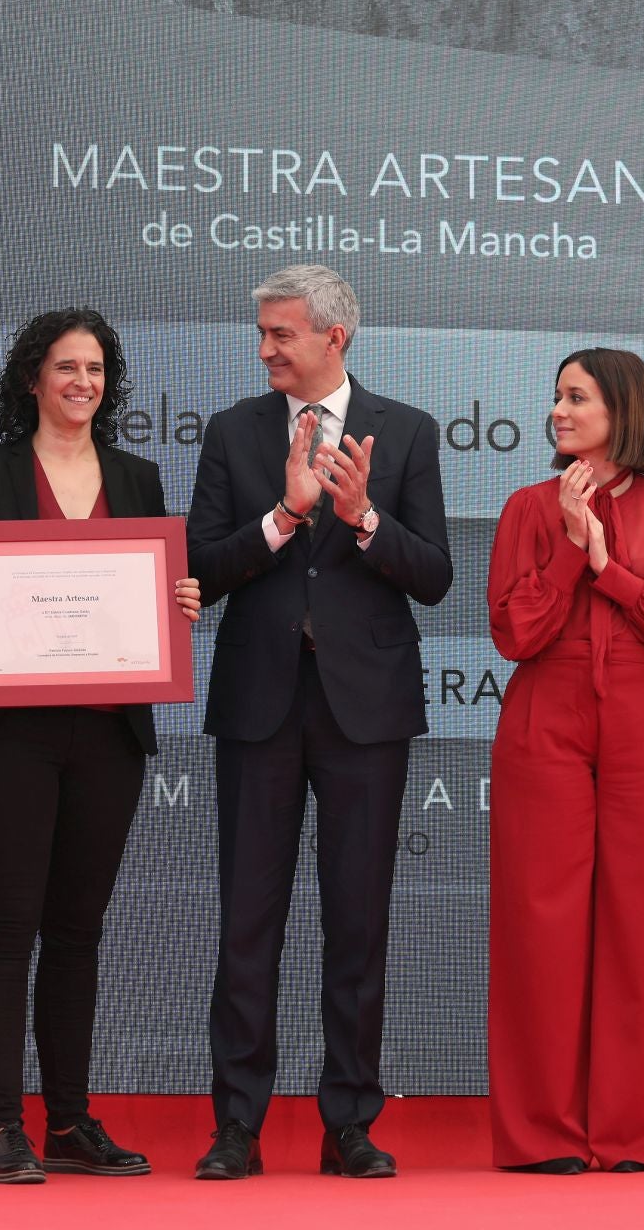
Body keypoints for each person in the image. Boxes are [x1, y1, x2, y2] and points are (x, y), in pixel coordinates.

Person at [0, 308, 200, 1183]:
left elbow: (154, 590)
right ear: (33, 378)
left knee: (78, 931)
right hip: (7, 733)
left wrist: (179, 601)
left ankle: (70, 1122)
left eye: (97, 369)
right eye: (67, 367)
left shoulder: (138, 477)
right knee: (8, 923)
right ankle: (3, 1127)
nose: (83, 382)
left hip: (108, 731)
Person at [186, 264, 451, 1180]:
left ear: (334, 337)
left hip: (364, 710)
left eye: (281, 334)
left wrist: (363, 517)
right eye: (261, 333)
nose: (264, 349)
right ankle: (236, 1126)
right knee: (247, 922)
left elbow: (435, 575)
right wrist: (284, 516)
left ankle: (350, 1124)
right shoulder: (233, 431)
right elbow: (201, 566)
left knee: (358, 922)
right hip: (258, 702)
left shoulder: (405, 430)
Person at [485, 347, 644, 1174]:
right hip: (544, 713)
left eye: (576, 397)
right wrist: (565, 545)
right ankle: (541, 1134)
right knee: (538, 922)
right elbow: (514, 632)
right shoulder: (525, 508)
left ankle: (629, 1132)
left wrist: (605, 565)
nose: (559, 410)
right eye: (557, 396)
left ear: (623, 410)